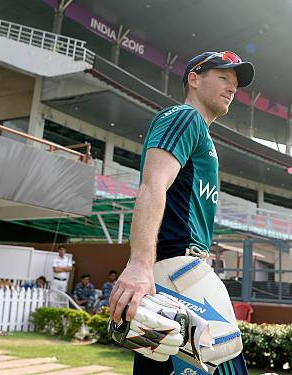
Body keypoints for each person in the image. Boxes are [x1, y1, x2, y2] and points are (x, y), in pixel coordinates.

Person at [108, 51, 254, 374]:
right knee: (224, 361)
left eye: (235, 83)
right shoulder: (184, 117)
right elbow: (152, 185)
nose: (232, 88)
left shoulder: (203, 136)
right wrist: (139, 265)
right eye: (223, 78)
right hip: (178, 278)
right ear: (194, 79)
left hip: (185, 274)